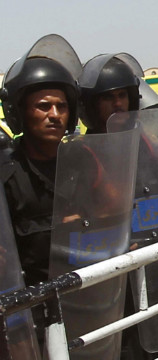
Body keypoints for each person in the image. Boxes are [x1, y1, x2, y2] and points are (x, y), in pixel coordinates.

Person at [0, 34, 82, 347]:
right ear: (20, 112)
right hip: (28, 312)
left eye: (62, 106)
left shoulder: (84, 164)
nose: (55, 115)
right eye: (43, 106)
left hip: (87, 299)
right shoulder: (6, 174)